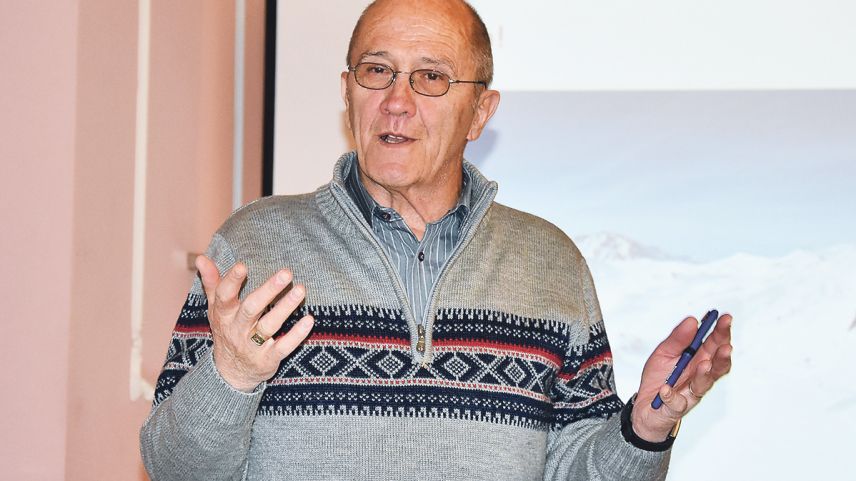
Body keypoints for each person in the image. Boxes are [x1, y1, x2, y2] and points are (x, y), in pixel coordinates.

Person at [140, 0, 733, 480]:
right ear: (348, 93)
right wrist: (232, 375)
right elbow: (172, 469)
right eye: (377, 72)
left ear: (480, 112)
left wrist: (643, 431)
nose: (397, 102)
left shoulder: (551, 263)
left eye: (431, 78)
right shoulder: (253, 245)